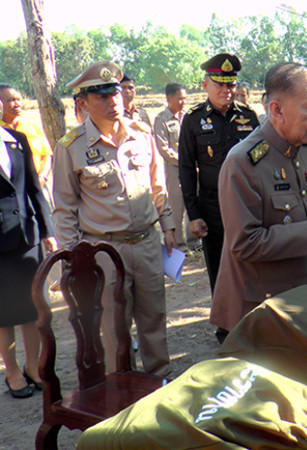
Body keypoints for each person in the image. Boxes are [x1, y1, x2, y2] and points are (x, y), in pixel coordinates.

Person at [211, 63, 307, 335]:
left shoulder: (300, 149)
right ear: (277, 110)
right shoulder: (243, 162)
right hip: (263, 310)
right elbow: (245, 244)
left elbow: (299, 209)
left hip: (302, 298)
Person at [52, 61, 176, 377]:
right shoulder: (71, 147)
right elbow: (65, 209)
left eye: (116, 94)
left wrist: (169, 226)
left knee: (154, 321)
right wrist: (73, 258)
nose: (113, 102)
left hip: (147, 244)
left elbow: (156, 184)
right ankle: (120, 396)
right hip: (104, 251)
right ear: (82, 103)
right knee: (114, 328)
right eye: (103, 97)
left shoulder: (141, 134)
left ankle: (159, 385)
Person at [178, 53, 259, 328]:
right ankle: (226, 326)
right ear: (205, 85)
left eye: (231, 84)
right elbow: (187, 169)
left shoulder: (249, 118)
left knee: (250, 263)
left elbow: (260, 162)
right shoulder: (193, 120)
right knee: (218, 267)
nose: (227, 90)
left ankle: (251, 322)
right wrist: (193, 214)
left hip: (246, 205)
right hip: (212, 207)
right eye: (220, 84)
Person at [0, 97, 56, 399]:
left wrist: (48, 230)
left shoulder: (17, 140)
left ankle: (34, 367)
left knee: (32, 308)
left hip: (26, 237)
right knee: (4, 313)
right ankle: (12, 371)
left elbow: (34, 187)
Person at [152, 82, 197, 252]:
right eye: (180, 99)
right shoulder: (161, 120)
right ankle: (180, 245)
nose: (183, 102)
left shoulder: (187, 117)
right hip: (174, 169)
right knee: (177, 206)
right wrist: (185, 161)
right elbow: (163, 149)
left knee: (193, 202)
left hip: (193, 168)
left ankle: (194, 241)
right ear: (169, 98)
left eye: (185, 99)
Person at [0, 84, 53, 205]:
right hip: (9, 192)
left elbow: (47, 155)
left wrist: (42, 178)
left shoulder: (32, 126)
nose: (17, 104)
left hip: (39, 186)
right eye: (10, 100)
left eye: (18, 99)